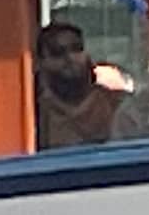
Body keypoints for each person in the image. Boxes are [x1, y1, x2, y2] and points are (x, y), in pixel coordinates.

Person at [34, 21, 126, 149]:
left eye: (76, 48)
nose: (70, 58)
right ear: (41, 62)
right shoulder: (35, 115)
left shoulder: (118, 103)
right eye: (57, 52)